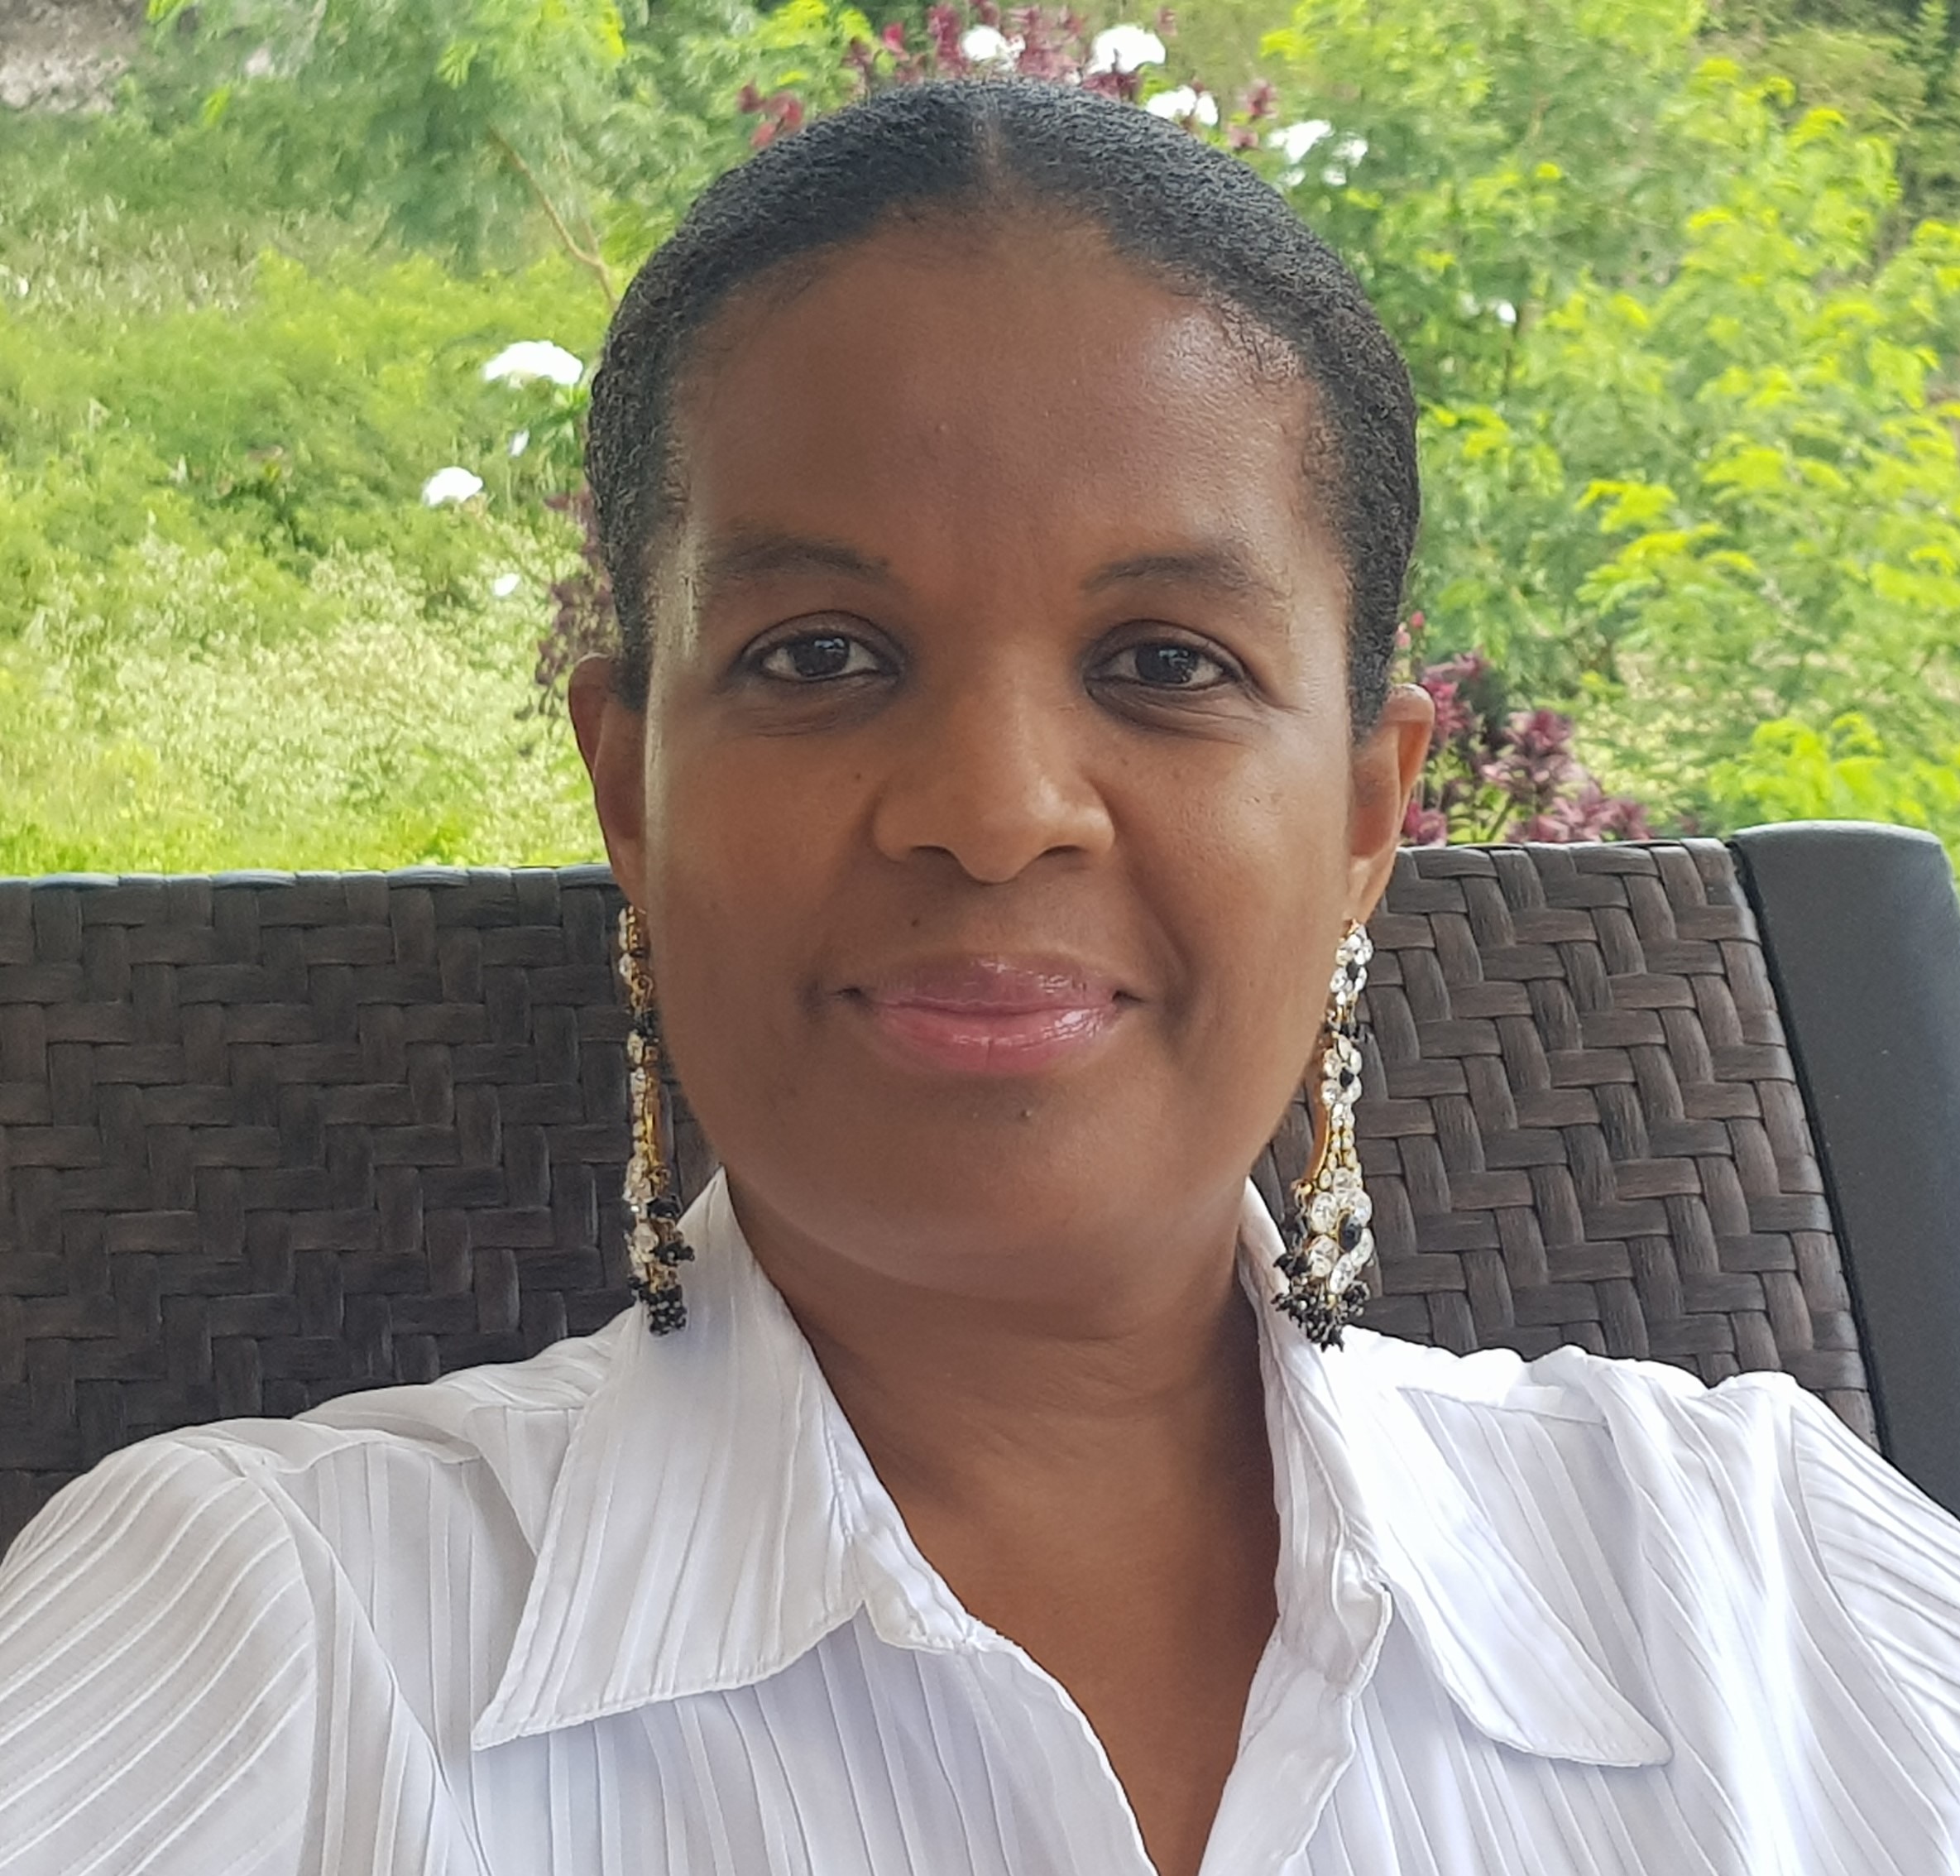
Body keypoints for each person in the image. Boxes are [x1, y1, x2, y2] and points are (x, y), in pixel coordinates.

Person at [2, 74, 1958, 1876]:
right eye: (820, 656)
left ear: (1369, 812)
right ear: (631, 789)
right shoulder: (262, 1639)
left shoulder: (1763, 1582)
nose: (996, 810)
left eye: (1168, 663)